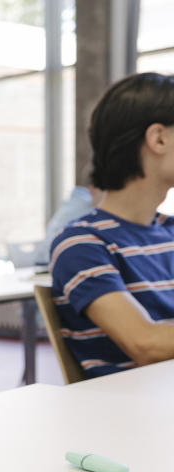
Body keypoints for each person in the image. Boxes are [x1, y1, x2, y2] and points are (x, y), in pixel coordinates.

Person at [50, 72, 174, 378]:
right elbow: (144, 342)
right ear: (158, 138)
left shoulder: (169, 230)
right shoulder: (82, 244)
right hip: (130, 415)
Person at [35, 173, 104, 266]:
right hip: (52, 264)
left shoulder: (75, 201)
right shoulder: (86, 206)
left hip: (46, 260)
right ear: (93, 189)